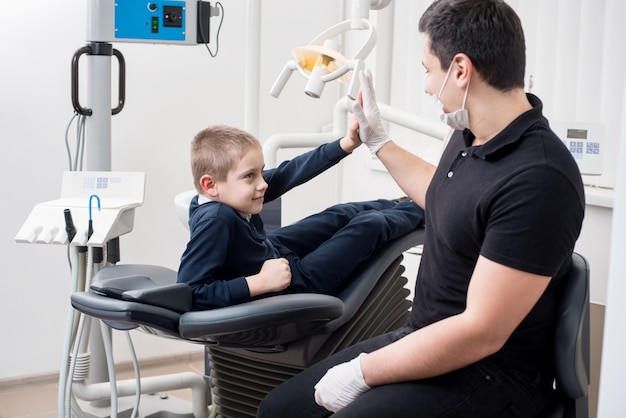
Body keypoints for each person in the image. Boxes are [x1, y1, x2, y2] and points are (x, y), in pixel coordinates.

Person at [257, 0, 585, 417]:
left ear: (461, 70)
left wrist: (364, 372)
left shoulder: (539, 177)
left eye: (429, 69)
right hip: (427, 335)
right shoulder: (471, 136)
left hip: (490, 371)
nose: (428, 86)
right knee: (281, 409)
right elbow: (446, 196)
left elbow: (481, 332)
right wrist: (379, 142)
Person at [177, 124, 424, 311]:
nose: (263, 184)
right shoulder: (215, 220)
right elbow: (192, 291)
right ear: (210, 185)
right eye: (250, 176)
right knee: (369, 225)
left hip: (274, 253)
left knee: (340, 214)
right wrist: (260, 282)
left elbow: (289, 172)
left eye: (261, 173)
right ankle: (429, 206)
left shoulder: (228, 195)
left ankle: (408, 202)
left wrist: (347, 143)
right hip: (293, 285)